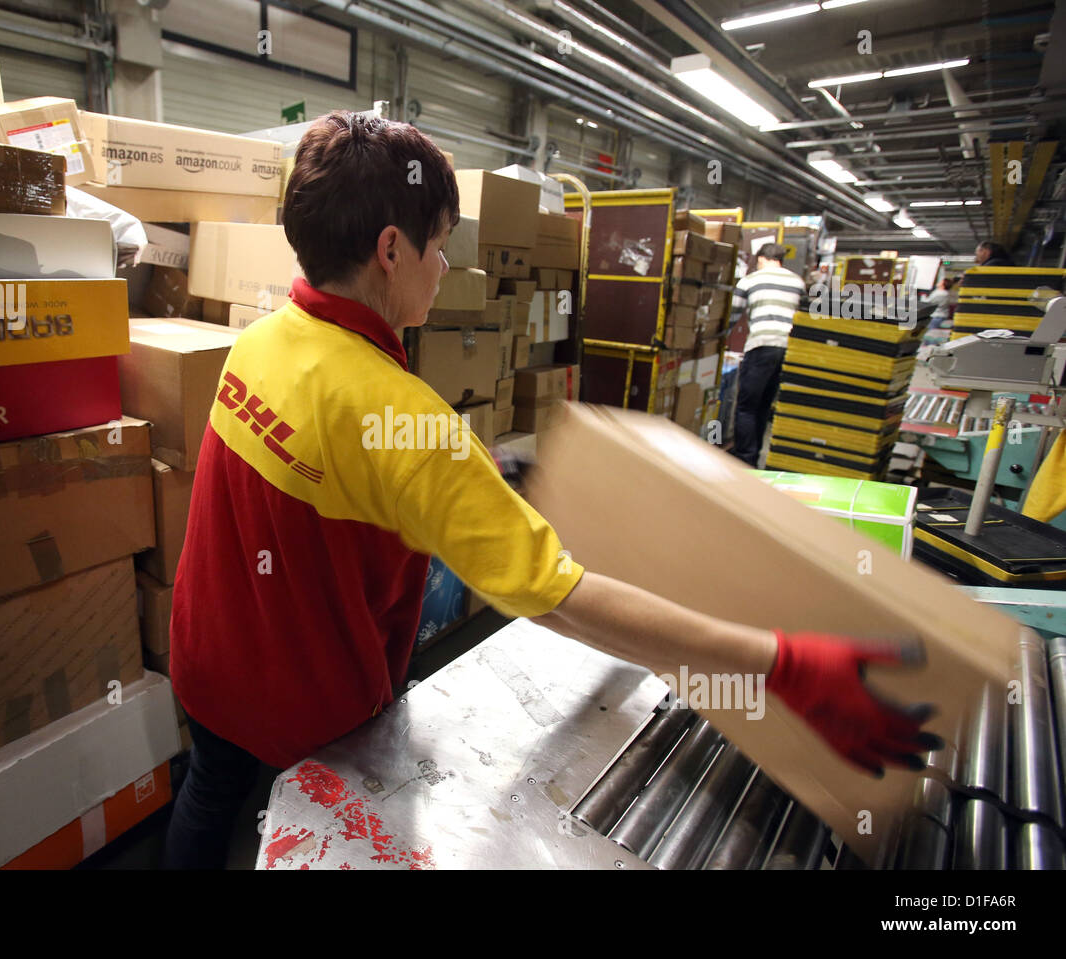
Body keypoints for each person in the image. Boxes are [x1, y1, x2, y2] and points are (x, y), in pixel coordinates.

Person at [163, 112, 938, 869]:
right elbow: (556, 594)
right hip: (302, 709)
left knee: (208, 797)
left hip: (207, 660)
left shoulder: (261, 340)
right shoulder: (400, 418)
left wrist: (459, 480)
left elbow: (316, 485)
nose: (444, 267)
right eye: (440, 247)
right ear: (390, 250)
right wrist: (778, 661)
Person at [727, 243, 806, 468]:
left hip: (761, 345)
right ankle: (756, 454)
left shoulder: (751, 280)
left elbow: (733, 314)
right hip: (790, 348)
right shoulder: (797, 282)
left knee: (747, 406)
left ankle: (745, 459)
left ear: (761, 258)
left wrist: (718, 336)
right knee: (764, 405)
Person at [921, 277, 958, 346]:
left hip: (936, 316)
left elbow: (927, 303)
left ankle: (929, 349)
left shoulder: (939, 293)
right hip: (941, 315)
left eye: (940, 282)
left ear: (943, 284)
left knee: (930, 335)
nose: (938, 283)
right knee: (933, 334)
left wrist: (923, 297)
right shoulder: (947, 293)